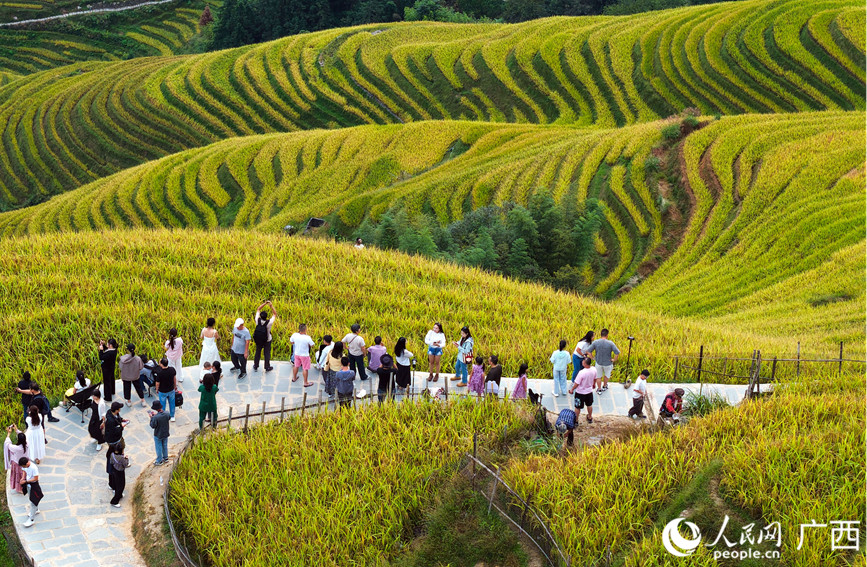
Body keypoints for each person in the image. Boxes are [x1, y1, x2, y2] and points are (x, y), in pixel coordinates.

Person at [585, 329, 620, 394]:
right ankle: (604, 386)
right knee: (606, 375)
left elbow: (588, 351)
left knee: (598, 376)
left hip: (598, 362)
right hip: (608, 363)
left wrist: (592, 358)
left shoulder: (596, 342)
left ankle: (599, 389)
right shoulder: (610, 343)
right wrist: (614, 359)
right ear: (607, 335)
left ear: (601, 334)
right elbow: (617, 353)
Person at [569, 357, 598, 424]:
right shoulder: (594, 369)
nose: (582, 362)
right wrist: (594, 384)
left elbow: (577, 383)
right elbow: (595, 378)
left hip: (580, 392)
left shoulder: (581, 372)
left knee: (577, 407)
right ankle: (590, 417)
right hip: (589, 391)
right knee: (589, 405)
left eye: (583, 362)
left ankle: (576, 420)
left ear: (585, 364)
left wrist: (572, 389)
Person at [252, 301, 277, 372]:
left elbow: (258, 309)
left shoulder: (257, 320)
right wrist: (271, 305)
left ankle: (256, 365)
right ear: (266, 317)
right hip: (267, 340)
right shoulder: (269, 322)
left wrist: (265, 303)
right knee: (267, 353)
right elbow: (275, 314)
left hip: (259, 339)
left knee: (258, 352)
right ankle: (267, 367)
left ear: (260, 316)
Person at [18, 457, 43, 528]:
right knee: (30, 498)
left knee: (33, 502)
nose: (23, 467)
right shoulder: (25, 466)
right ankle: (36, 509)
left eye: (23, 466)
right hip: (28, 485)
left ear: (26, 463)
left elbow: (36, 478)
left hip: (34, 486)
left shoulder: (33, 468)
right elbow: (24, 471)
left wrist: (25, 481)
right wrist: (23, 478)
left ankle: (31, 520)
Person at [120, 344, 146, 408]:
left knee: (127, 388)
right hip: (135, 376)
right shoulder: (138, 359)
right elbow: (141, 367)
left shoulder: (123, 359)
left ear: (127, 350)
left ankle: (128, 401)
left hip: (126, 376)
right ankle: (142, 400)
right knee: (138, 387)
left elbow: (120, 367)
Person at [4, 426, 26, 494]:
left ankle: (20, 488)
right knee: (24, 475)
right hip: (25, 462)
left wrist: (8, 433)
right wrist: (16, 429)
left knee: (18, 476)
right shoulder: (27, 444)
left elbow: (7, 444)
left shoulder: (16, 448)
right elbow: (22, 435)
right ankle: (25, 486)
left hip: (17, 464)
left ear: (18, 439)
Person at [148, 401, 171, 466]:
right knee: (165, 445)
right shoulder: (167, 413)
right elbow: (168, 417)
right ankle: (166, 458)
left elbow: (153, 425)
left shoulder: (155, 417)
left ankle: (159, 460)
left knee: (158, 447)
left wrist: (151, 418)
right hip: (165, 432)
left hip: (158, 434)